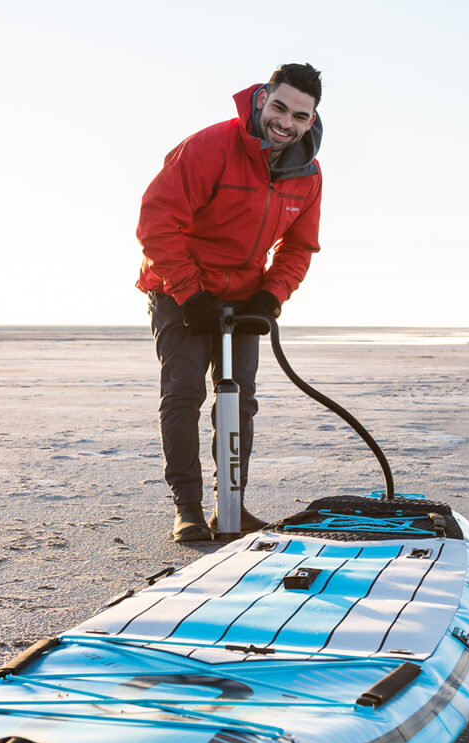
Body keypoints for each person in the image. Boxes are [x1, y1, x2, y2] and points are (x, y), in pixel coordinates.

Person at [135, 63, 324, 543]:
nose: (286, 122)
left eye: (300, 115)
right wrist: (189, 293)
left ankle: (230, 508)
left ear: (312, 119)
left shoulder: (308, 174)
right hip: (182, 288)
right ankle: (189, 509)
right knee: (184, 394)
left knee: (238, 401)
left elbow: (299, 246)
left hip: (244, 295)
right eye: (279, 107)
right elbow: (158, 222)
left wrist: (270, 295)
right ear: (262, 99)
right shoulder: (209, 147)